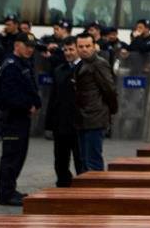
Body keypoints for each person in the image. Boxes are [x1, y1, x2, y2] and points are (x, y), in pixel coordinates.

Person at [0, 32, 41, 206]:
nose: (30, 49)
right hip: (12, 119)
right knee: (11, 157)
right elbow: (6, 97)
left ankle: (10, 189)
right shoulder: (11, 65)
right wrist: (27, 105)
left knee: (19, 155)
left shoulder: (23, 63)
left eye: (32, 47)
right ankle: (6, 194)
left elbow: (30, 88)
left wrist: (36, 103)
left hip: (21, 119)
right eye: (26, 45)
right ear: (17, 45)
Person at [73, 33, 117, 173]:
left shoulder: (99, 63)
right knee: (84, 160)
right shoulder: (81, 64)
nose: (84, 49)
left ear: (94, 47)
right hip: (82, 117)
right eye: (81, 46)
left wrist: (111, 110)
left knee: (93, 160)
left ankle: (97, 191)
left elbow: (109, 90)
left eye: (87, 46)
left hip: (95, 117)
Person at [44, 36, 83, 187]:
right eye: (65, 50)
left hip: (80, 123)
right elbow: (53, 98)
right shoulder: (59, 70)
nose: (68, 53)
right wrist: (49, 124)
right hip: (61, 123)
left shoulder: (86, 68)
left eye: (71, 49)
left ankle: (84, 188)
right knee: (60, 159)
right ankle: (63, 184)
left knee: (81, 159)